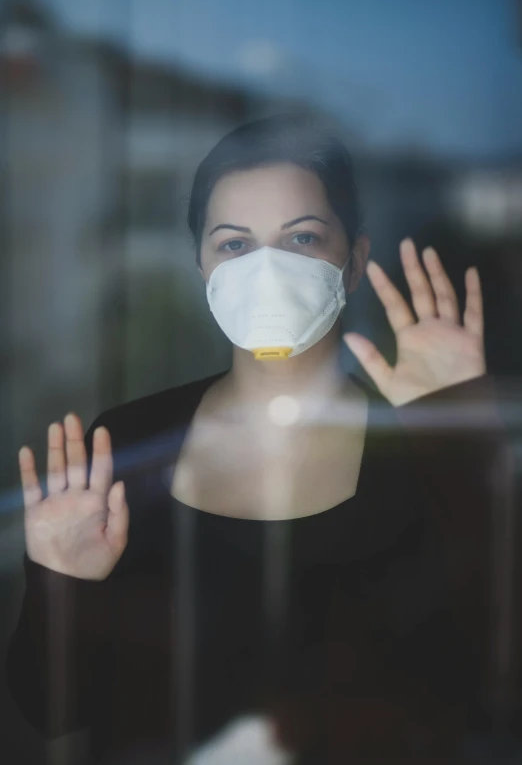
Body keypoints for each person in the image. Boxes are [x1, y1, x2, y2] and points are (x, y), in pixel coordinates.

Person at [6, 114, 512, 764]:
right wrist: (61, 583)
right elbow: (48, 713)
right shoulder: (123, 446)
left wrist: (465, 439)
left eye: (301, 237)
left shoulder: (422, 446)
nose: (267, 268)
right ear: (201, 265)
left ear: (354, 261)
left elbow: (499, 689)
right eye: (235, 244)